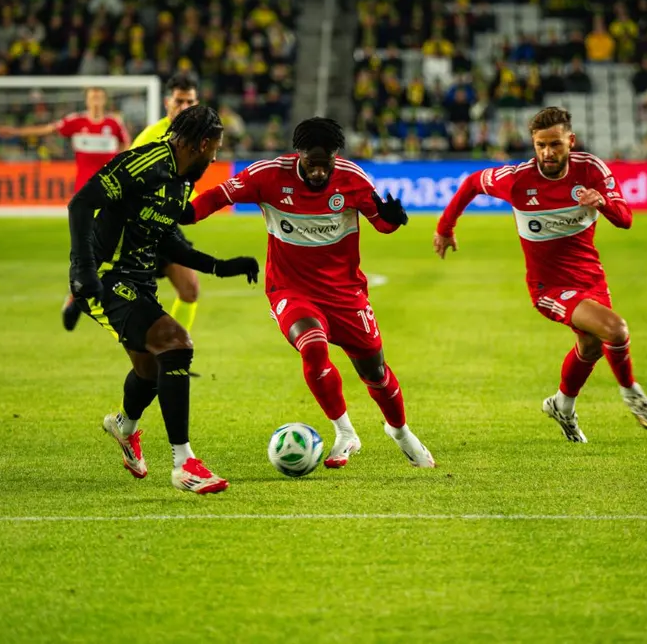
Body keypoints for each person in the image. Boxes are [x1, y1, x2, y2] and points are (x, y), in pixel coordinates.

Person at [184, 117, 434, 469]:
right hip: (291, 289)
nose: (318, 172)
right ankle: (345, 432)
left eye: (325, 164)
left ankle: (400, 431)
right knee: (313, 346)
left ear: (335, 155)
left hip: (345, 293)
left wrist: (394, 218)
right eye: (311, 164)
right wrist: (183, 214)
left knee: (375, 372)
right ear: (298, 154)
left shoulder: (353, 179)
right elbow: (219, 195)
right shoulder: (267, 175)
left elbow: (382, 223)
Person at [433, 106, 647, 443]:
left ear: (570, 141)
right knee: (615, 330)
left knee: (590, 347)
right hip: (549, 288)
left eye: (555, 144)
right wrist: (445, 228)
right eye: (540, 145)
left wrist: (602, 202)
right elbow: (472, 183)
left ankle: (562, 405)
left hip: (591, 279)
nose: (547, 153)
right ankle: (632, 395)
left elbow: (626, 219)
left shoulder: (591, 170)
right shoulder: (517, 179)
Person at [68, 105, 259, 494]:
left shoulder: (182, 177)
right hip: (108, 279)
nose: (216, 157)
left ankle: (123, 426)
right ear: (201, 144)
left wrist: (219, 266)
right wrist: (82, 269)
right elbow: (82, 203)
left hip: (140, 283)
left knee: (150, 371)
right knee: (175, 343)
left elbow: (166, 235)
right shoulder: (144, 163)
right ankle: (184, 463)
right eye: (216, 149)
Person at [123, 73, 204, 334]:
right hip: (139, 226)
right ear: (167, 102)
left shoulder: (196, 139)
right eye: (178, 101)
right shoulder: (150, 138)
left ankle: (175, 350)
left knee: (189, 289)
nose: (183, 107)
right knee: (134, 301)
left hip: (163, 226)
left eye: (188, 102)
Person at [0, 86, 130, 190]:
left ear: (104, 101)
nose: (96, 101)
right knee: (84, 223)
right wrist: (15, 131)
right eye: (92, 98)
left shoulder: (114, 122)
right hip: (85, 183)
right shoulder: (76, 121)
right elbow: (47, 129)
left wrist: (120, 166)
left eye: (99, 98)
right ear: (86, 101)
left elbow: (126, 144)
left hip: (110, 182)